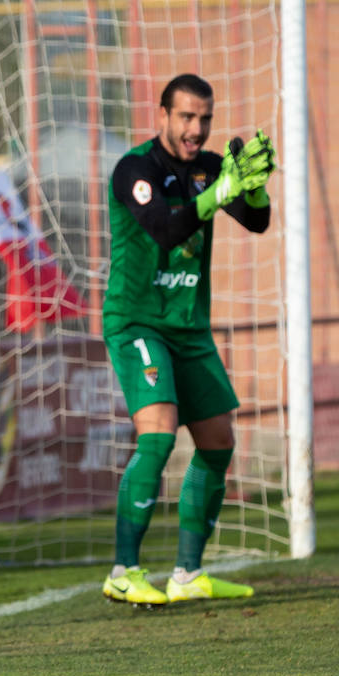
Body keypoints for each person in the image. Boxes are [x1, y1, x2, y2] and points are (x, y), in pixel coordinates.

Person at [99, 73, 276, 606]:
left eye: (204, 119)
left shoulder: (211, 168)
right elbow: (165, 228)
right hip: (137, 321)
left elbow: (258, 222)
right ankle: (123, 570)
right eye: (186, 117)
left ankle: (187, 574)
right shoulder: (135, 169)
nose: (196, 129)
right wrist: (220, 192)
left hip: (190, 326)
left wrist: (253, 187)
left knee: (219, 439)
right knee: (158, 431)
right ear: (163, 116)